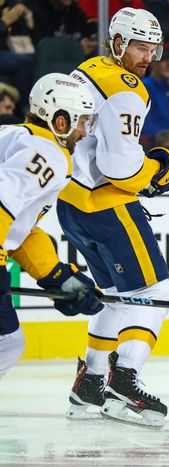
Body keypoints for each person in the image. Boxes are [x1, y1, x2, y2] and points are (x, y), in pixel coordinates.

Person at [58, 7, 169, 427]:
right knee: (157, 291)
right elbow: (121, 168)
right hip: (106, 205)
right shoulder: (128, 89)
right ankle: (123, 381)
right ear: (116, 43)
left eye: (153, 47)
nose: (148, 56)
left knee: (113, 292)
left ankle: (91, 381)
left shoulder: (86, 69)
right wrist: (155, 173)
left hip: (72, 204)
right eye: (139, 46)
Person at [0, 73, 102, 380]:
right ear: (60, 121)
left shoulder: (15, 135)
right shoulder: (48, 154)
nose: (85, 133)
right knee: (6, 342)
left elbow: (19, 227)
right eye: (82, 122)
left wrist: (55, 276)